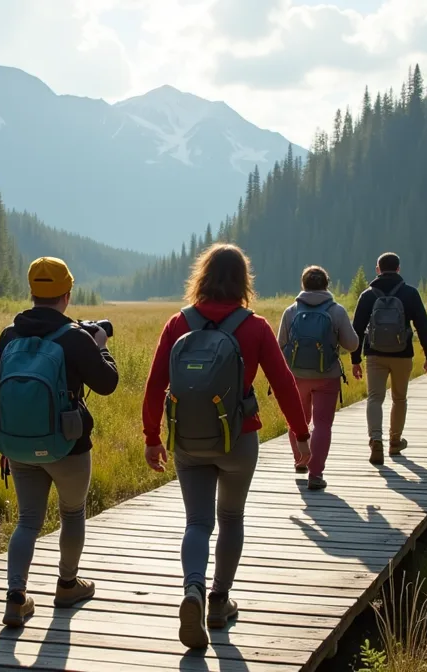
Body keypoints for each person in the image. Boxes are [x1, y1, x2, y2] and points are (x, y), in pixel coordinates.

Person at [142, 244, 311, 650]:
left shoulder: (177, 324)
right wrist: (300, 434)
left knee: (197, 523)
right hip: (239, 438)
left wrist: (152, 438)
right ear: (243, 281)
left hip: (188, 441)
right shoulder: (254, 326)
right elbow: (285, 382)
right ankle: (219, 601)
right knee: (231, 517)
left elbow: (153, 387)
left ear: (201, 276)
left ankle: (193, 591)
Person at [0, 258, 119, 627]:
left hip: (17, 445)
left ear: (32, 293)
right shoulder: (76, 337)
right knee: (72, 513)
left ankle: (16, 597)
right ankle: (66, 584)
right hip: (68, 445)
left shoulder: (8, 336)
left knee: (27, 520)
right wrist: (101, 345)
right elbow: (108, 384)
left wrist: (5, 445)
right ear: (67, 294)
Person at [278, 265, 361, 491]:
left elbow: (280, 345)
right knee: (322, 424)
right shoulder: (336, 311)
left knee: (298, 420)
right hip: (327, 376)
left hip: (296, 375)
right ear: (327, 284)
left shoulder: (291, 311)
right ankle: (315, 474)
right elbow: (352, 344)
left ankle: (300, 461)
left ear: (303, 285)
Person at [351, 252, 427, 466]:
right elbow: (423, 326)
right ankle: (395, 441)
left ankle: (376, 440)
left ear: (377, 269)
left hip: (374, 354)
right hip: (402, 353)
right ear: (398, 269)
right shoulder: (410, 293)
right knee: (399, 398)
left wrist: (355, 359)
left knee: (374, 398)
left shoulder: (368, 295)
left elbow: (357, 330)